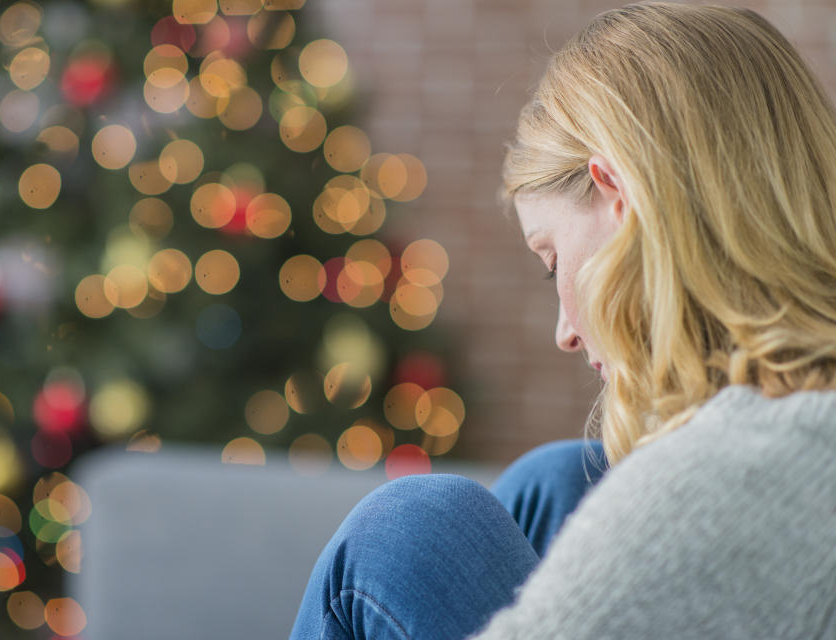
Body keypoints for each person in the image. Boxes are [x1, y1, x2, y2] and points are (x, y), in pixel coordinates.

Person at [290, 2, 836, 638]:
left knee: (408, 526)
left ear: (620, 200)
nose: (565, 333)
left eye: (553, 264)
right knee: (561, 481)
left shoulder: (728, 476)